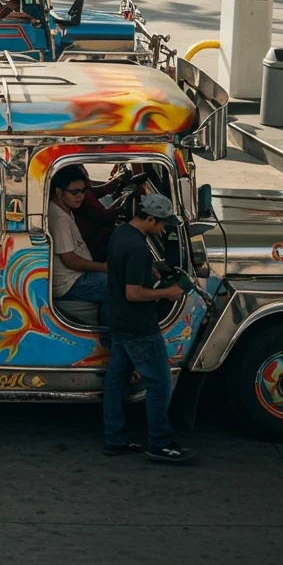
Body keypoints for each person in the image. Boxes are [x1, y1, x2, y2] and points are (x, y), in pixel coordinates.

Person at [103, 193, 196, 463]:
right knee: (160, 383)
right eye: (162, 224)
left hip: (118, 319)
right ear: (150, 218)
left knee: (115, 382)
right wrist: (168, 292)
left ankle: (115, 439)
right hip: (138, 326)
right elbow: (133, 293)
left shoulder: (121, 234)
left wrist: (148, 271)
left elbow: (122, 274)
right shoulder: (139, 248)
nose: (163, 229)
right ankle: (160, 442)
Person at [48, 165, 107, 321]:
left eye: (83, 191)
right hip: (70, 282)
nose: (80, 196)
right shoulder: (60, 220)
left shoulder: (61, 209)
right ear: (59, 192)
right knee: (120, 286)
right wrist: (105, 267)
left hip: (74, 276)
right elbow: (70, 260)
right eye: (74, 192)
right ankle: (109, 334)